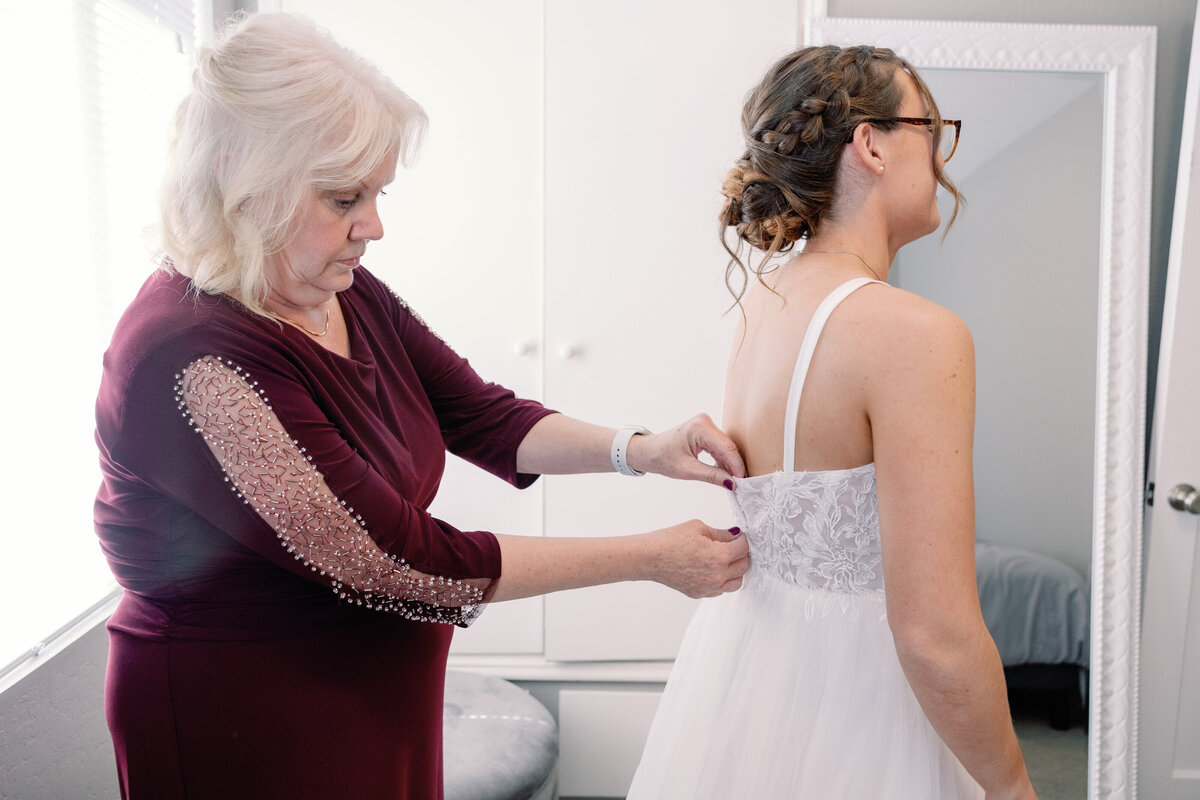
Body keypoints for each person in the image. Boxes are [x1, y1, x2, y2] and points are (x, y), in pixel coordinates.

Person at [93, 12, 749, 800]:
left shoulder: (334, 285)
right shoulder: (191, 357)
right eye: (344, 198)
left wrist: (641, 449)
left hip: (375, 700)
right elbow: (399, 565)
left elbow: (481, 414)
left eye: (375, 193)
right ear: (242, 183)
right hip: (248, 719)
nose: (373, 225)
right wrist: (650, 558)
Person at [628, 45, 1038, 799]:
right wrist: (1011, 786)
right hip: (863, 705)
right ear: (871, 144)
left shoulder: (765, 304)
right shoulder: (912, 332)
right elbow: (933, 633)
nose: (943, 159)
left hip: (755, 681)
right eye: (930, 128)